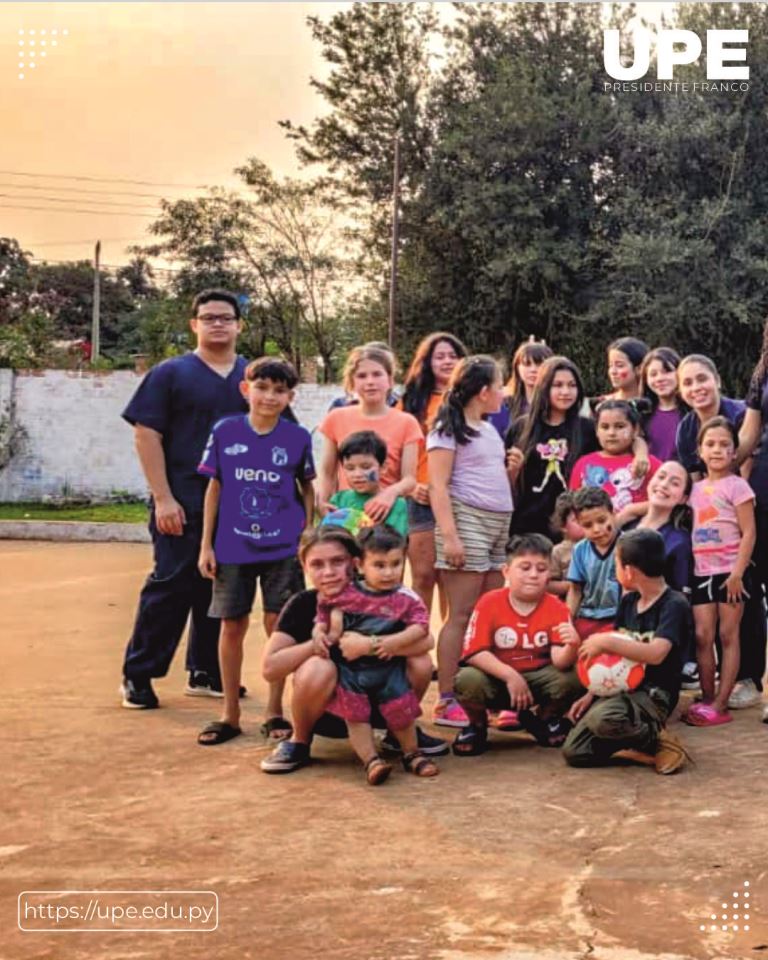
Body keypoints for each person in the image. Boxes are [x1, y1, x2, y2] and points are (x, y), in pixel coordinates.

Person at [120, 289, 250, 710]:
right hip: (181, 498)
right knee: (171, 584)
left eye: (225, 318)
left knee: (219, 587)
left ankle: (207, 670)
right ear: (194, 324)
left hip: (237, 505)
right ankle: (138, 674)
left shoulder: (253, 376)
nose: (218, 324)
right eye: (208, 317)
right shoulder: (170, 374)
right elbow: (146, 433)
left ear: (239, 325)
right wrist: (163, 498)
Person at [195, 357, 315, 745]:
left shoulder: (297, 438)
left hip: (282, 547)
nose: (269, 396)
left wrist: (307, 532)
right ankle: (229, 713)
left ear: (289, 396)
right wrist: (206, 545)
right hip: (232, 546)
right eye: (262, 387)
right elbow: (214, 488)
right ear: (246, 390)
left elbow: (308, 487)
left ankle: (275, 710)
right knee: (231, 625)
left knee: (279, 626)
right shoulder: (225, 432)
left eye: (279, 390)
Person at [260, 526, 447, 774]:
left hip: (383, 698)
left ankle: (397, 733)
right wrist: (317, 644)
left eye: (337, 561)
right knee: (319, 667)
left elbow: (426, 642)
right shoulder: (303, 603)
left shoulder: (384, 595)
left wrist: (370, 645)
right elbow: (270, 668)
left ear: (355, 563)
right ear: (305, 567)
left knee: (420, 661)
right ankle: (300, 741)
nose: (328, 572)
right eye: (317, 564)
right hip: (327, 714)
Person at [427, 355, 514, 727]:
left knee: (491, 614)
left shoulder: (489, 429)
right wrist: (450, 536)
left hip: (497, 525)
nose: (504, 393)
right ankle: (447, 699)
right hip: (467, 522)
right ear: (483, 392)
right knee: (461, 615)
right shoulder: (448, 428)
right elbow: (437, 485)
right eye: (500, 386)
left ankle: (486, 694)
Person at [314, 526, 439, 784]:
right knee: (356, 718)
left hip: (388, 669)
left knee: (402, 713)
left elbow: (421, 627)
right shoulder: (345, 594)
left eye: (396, 564)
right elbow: (326, 614)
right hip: (351, 673)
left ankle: (411, 754)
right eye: (379, 565)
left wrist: (392, 643)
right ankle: (371, 761)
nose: (389, 572)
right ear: (360, 565)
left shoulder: (406, 597)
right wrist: (321, 630)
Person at [562, 528, 691, 774]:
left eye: (617, 565)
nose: (616, 571)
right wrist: (592, 693)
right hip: (623, 691)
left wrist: (606, 642)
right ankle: (644, 751)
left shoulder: (674, 604)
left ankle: (657, 739)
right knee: (576, 751)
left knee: (603, 720)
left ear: (629, 571)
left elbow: (656, 654)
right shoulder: (628, 603)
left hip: (654, 694)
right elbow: (614, 659)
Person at [676, 353, 765, 710]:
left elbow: (745, 472)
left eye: (702, 378)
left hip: (742, 532)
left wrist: (732, 503)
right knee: (705, 631)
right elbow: (697, 488)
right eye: (689, 382)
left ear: (717, 379)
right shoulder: (686, 428)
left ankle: (746, 678)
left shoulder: (743, 413)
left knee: (747, 607)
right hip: (706, 558)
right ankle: (712, 691)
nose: (696, 387)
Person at [451, 533, 582, 756]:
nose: (533, 575)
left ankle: (544, 719)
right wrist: (511, 676)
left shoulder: (557, 608)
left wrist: (572, 646)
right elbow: (474, 652)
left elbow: (560, 662)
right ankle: (477, 725)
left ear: (549, 574)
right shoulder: (489, 602)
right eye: (525, 567)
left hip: (538, 679)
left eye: (541, 569)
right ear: (506, 571)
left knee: (574, 677)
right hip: (497, 678)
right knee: (467, 679)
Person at [684, 417, 756, 727]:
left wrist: (738, 573)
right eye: (710, 444)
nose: (717, 450)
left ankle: (722, 703)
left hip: (731, 573)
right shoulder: (696, 488)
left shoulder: (738, 486)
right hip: (702, 572)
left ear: (734, 451)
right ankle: (707, 695)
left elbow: (749, 532)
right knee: (703, 636)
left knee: (728, 636)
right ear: (700, 450)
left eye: (724, 444)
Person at [398, 332, 467, 610]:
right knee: (424, 575)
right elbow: (395, 450)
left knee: (453, 578)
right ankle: (418, 640)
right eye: (440, 356)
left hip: (460, 498)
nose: (447, 361)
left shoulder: (471, 398)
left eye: (453, 356)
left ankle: (449, 648)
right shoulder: (410, 401)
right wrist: (412, 485)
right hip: (422, 498)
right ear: (427, 362)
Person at [316, 344, 421, 521]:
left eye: (377, 374)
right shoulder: (335, 418)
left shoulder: (407, 423)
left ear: (390, 380)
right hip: (345, 513)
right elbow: (327, 472)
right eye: (362, 376)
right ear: (352, 383)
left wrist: (389, 494)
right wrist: (323, 502)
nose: (370, 381)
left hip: (387, 515)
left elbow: (409, 479)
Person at [505, 356, 598, 538]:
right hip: (527, 525)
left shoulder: (588, 429)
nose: (566, 391)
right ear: (544, 387)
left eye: (572, 385)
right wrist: (512, 472)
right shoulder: (521, 428)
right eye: (558, 385)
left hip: (573, 529)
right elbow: (506, 484)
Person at [626, 460, 696, 688]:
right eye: (661, 476)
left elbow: (680, 601)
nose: (664, 485)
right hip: (616, 621)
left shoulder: (679, 541)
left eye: (674, 483)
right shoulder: (625, 528)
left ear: (683, 498)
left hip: (653, 635)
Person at [737, 317, 768, 723]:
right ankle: (750, 679)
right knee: (754, 586)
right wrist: (715, 466)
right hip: (764, 487)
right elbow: (748, 434)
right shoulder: (762, 373)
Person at [569, 400, 660, 519]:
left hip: (637, 533)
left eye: (620, 426)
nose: (611, 433)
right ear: (596, 431)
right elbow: (572, 505)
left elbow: (667, 500)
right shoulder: (584, 464)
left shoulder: (648, 463)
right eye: (605, 427)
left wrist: (633, 511)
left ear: (635, 429)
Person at [321, 430, 408, 537]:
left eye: (366, 467)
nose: (357, 474)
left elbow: (396, 543)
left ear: (383, 467)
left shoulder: (397, 505)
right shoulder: (338, 500)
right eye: (350, 468)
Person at [566, 487, 620, 641]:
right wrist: (568, 621)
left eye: (602, 521)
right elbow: (575, 590)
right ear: (579, 523)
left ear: (613, 514)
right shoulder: (580, 550)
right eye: (588, 525)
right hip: (588, 617)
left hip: (618, 617)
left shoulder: (627, 545)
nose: (597, 529)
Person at [486, 338, 553, 438]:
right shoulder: (503, 405)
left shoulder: (558, 406)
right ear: (517, 368)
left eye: (539, 364)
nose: (533, 369)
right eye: (527, 364)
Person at [640, 347, 688, 462]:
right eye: (653, 374)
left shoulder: (692, 413)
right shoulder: (641, 414)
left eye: (667, 372)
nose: (660, 379)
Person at [548, 492, 584, 599]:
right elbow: (548, 584)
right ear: (563, 525)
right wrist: (571, 586)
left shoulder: (598, 547)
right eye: (576, 520)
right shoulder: (557, 552)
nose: (584, 523)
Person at [604, 337, 649, 402]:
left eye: (620, 366)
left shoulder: (658, 405)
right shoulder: (600, 405)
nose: (613, 372)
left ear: (639, 369)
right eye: (610, 366)